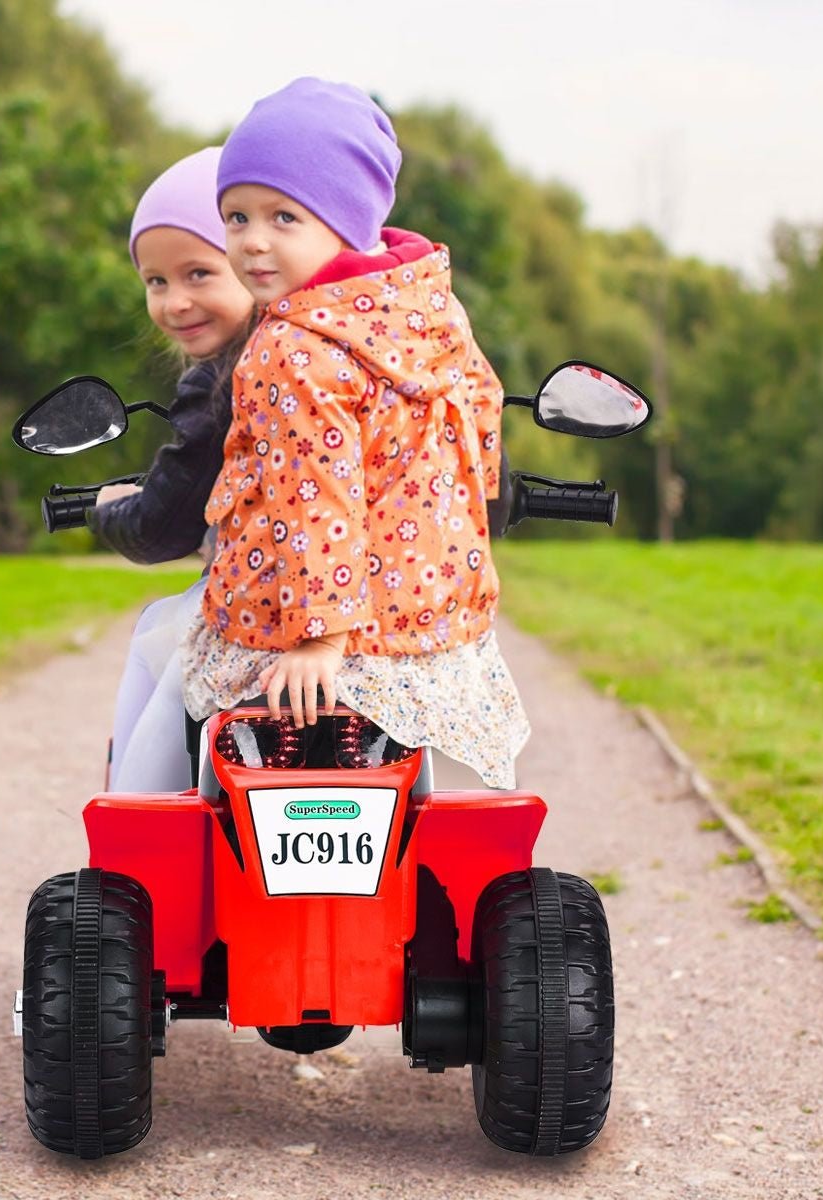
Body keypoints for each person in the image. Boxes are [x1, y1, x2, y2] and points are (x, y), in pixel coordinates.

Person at [179, 78, 528, 787]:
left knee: (218, 759)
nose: (252, 242)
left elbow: (314, 495)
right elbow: (479, 410)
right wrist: (465, 512)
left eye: (283, 217)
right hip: (423, 619)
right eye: (235, 217)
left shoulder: (291, 346)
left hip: (302, 627)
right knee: (407, 802)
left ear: (345, 218)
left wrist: (320, 638)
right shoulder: (426, 308)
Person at [96, 146, 255, 791]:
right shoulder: (335, 356)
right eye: (156, 282)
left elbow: (165, 523)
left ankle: (126, 828)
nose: (175, 302)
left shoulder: (223, 382)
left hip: (258, 615)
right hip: (377, 619)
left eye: (198, 273)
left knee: (155, 639)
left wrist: (113, 513)